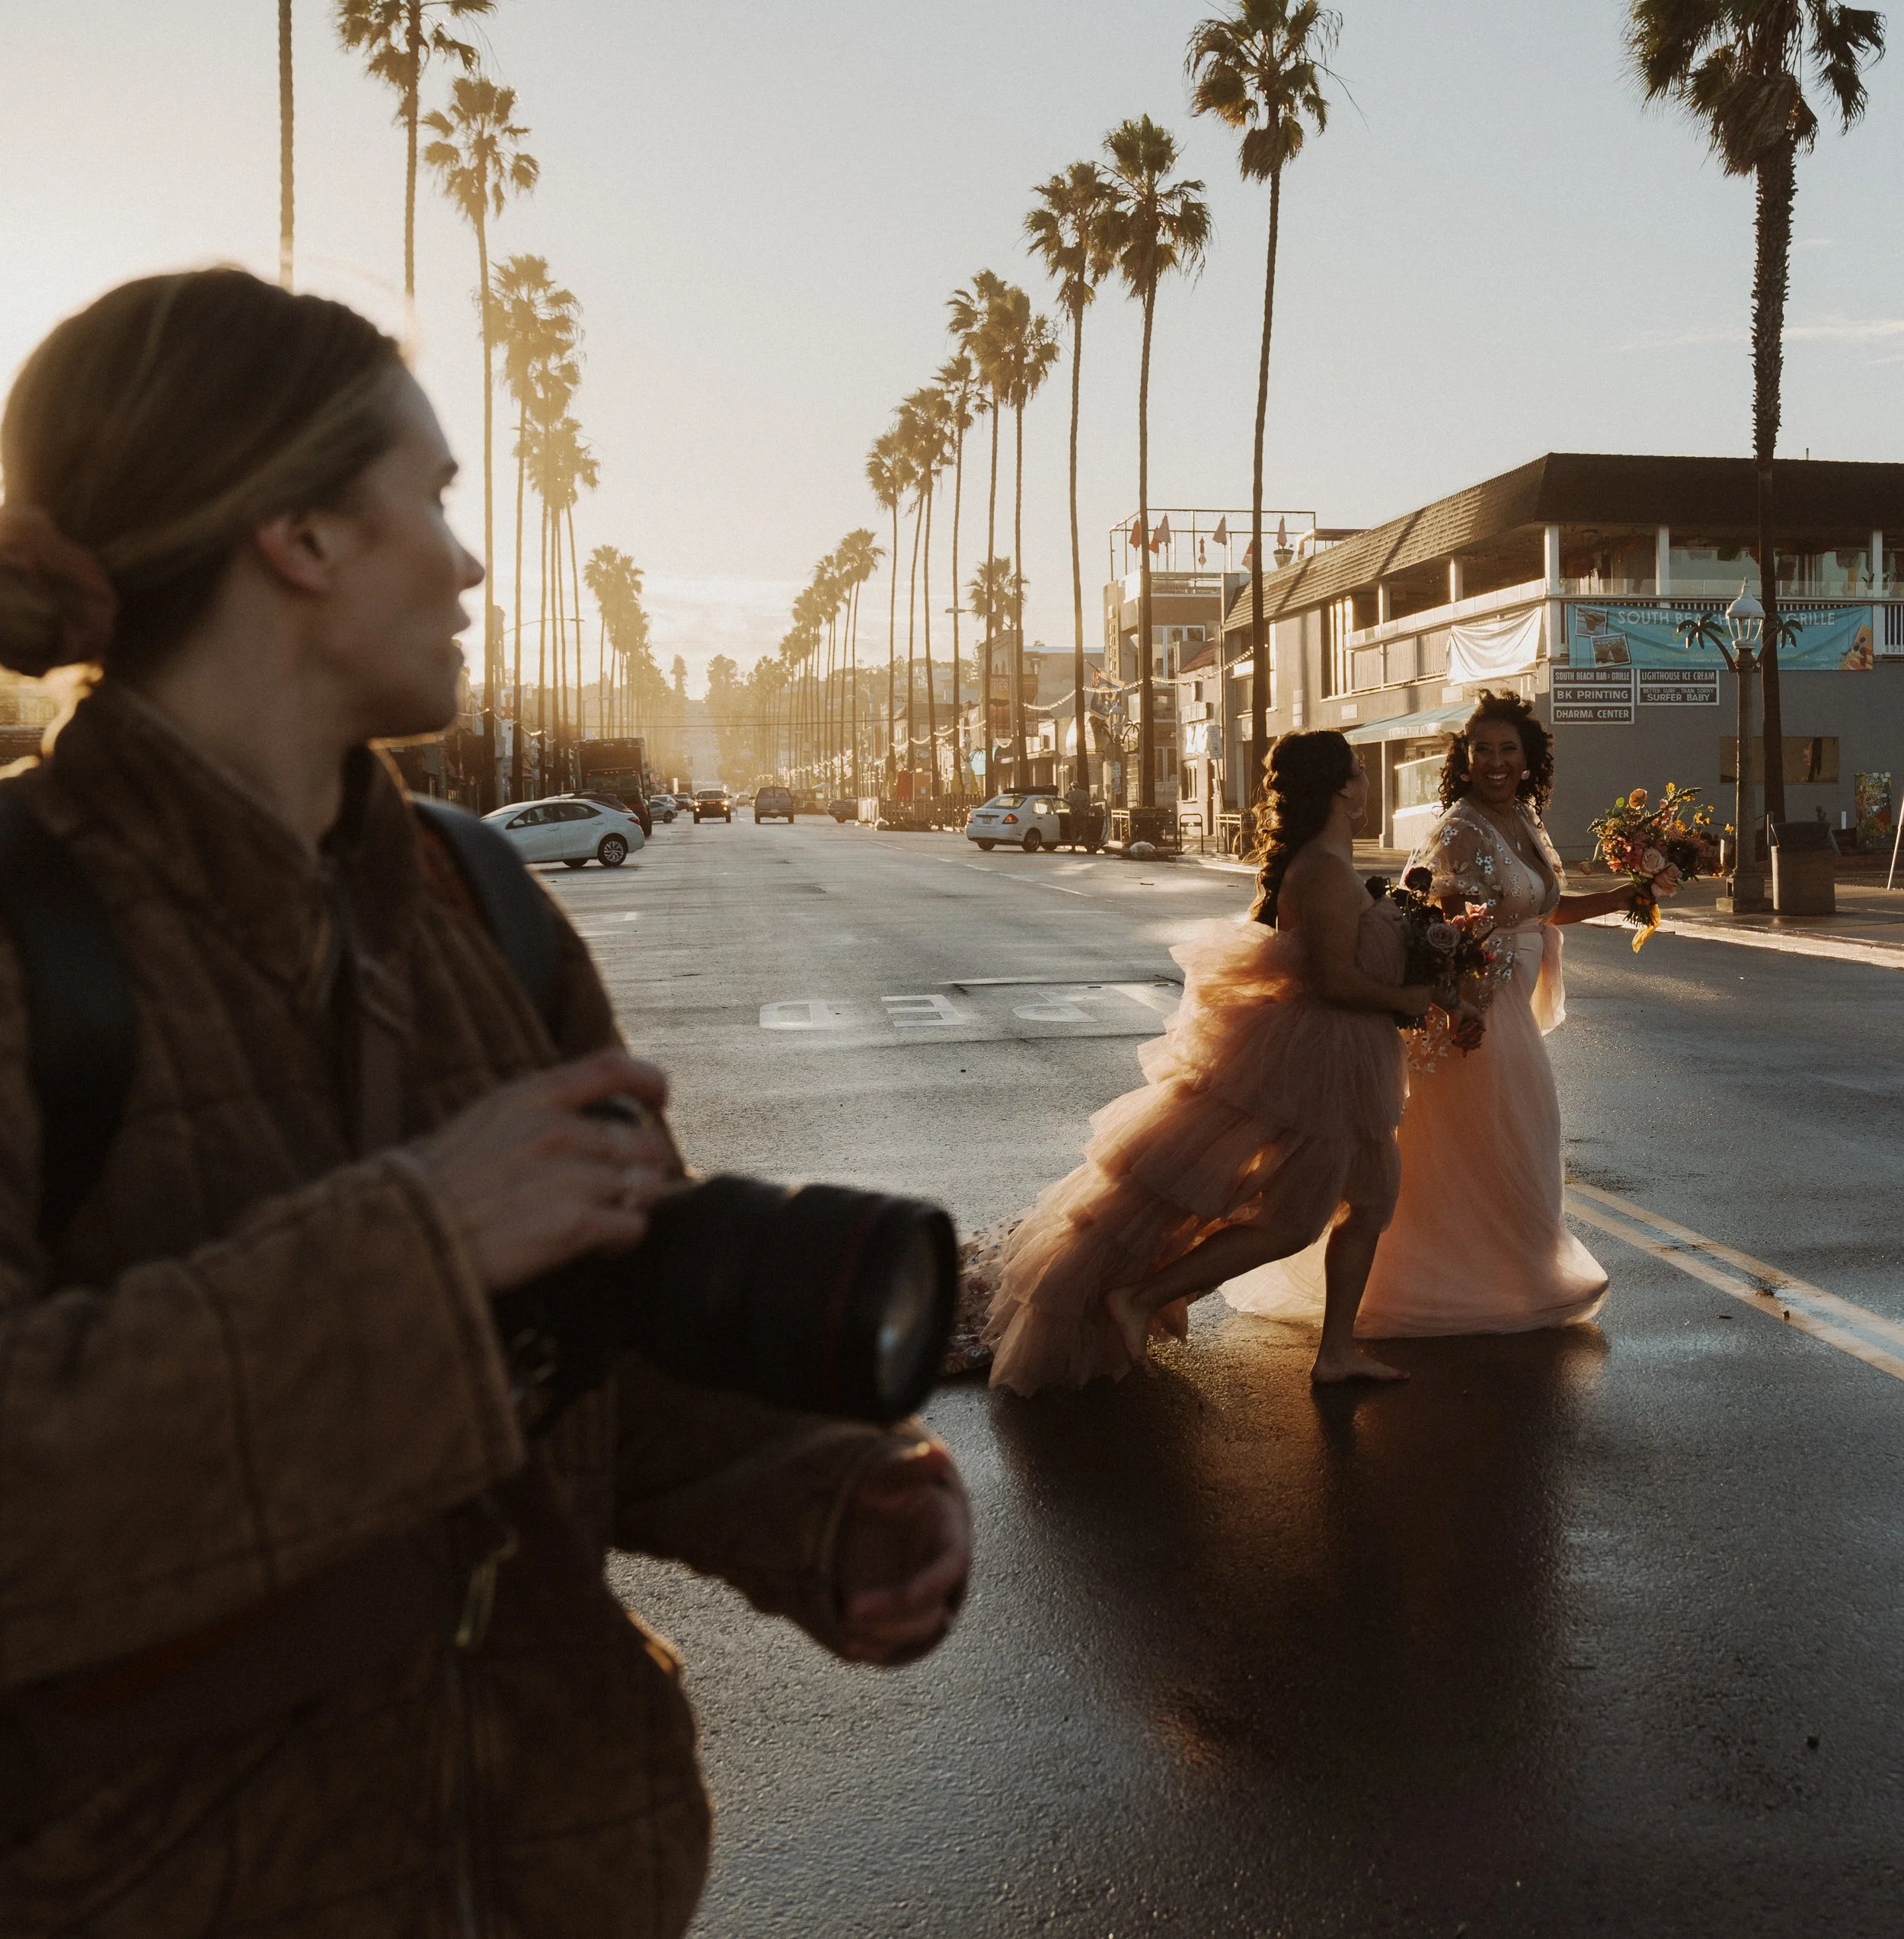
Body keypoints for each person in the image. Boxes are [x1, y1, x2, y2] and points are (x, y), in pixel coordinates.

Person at [0, 269, 969, 1939]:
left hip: (565, 1874)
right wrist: (418, 1250)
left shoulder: (479, 905)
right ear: (295, 537)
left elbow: (597, 1334)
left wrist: (823, 1497)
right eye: (431, 502)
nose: (463, 562)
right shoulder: (27, 931)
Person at [982, 730, 1435, 1393]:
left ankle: (1337, 1352)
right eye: (1359, 772)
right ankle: (1138, 1297)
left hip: (1349, 1056)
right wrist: (1411, 997)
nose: (1367, 782)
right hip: (1333, 1060)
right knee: (1294, 1221)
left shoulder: (1330, 865)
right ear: (1342, 787)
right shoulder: (1326, 872)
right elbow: (1333, 982)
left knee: (1368, 1204)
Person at [1353, 689, 1675, 1334]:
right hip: (1478, 1006)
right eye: (1482, 751)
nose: (1495, 762)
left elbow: (1540, 910)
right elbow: (1443, 927)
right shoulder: (1460, 829)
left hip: (1511, 1009)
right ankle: (1467, 1281)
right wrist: (1464, 1006)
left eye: (1508, 750)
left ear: (1529, 760)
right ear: (1465, 760)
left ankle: (1507, 1275)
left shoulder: (1523, 819)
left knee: (1517, 1139)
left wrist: (1626, 895)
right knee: (1491, 1144)